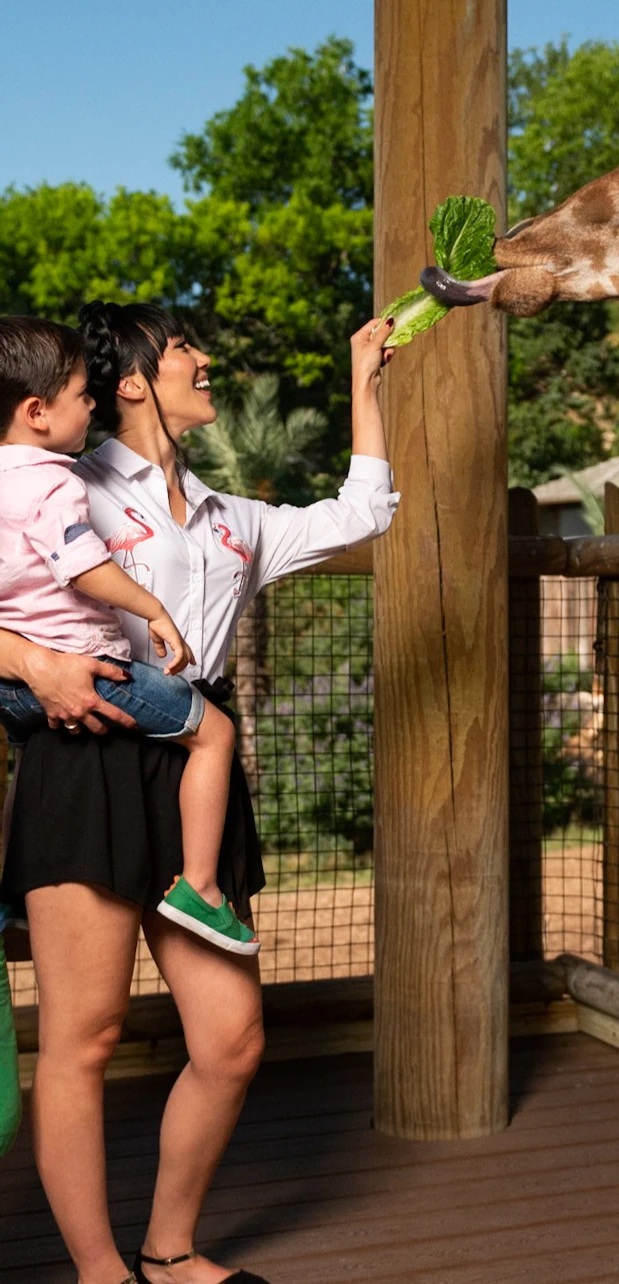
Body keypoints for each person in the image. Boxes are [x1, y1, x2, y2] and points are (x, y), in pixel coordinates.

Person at [0, 301, 399, 1284]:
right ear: (131, 380)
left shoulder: (237, 521)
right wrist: (27, 662)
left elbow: (366, 517)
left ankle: (171, 1251)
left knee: (230, 1040)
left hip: (198, 761)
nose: (205, 360)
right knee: (83, 1038)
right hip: (84, 748)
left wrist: (364, 376)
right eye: (183, 348)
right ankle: (100, 1274)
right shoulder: (56, 477)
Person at [0, 317, 254, 954]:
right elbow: (84, 567)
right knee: (215, 732)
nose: (96, 403)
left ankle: (11, 901)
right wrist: (154, 610)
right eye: (85, 395)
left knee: (25, 763)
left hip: (16, 696)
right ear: (36, 411)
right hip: (93, 673)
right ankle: (200, 886)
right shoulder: (57, 480)